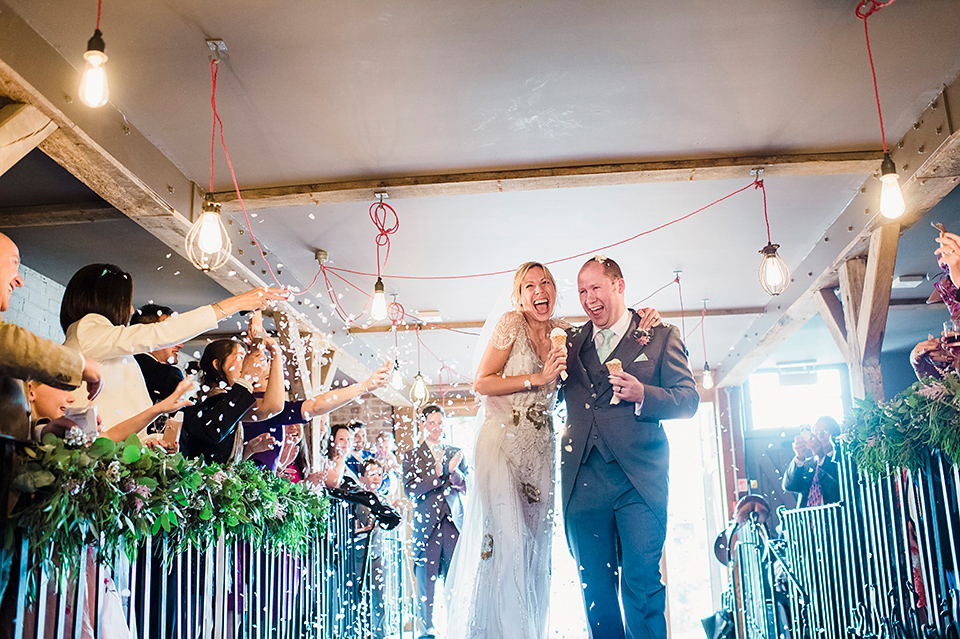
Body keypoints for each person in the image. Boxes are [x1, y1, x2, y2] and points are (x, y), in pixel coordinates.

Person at [561, 256, 699, 639]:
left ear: (619, 285)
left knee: (641, 586)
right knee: (597, 595)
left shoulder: (660, 335)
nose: (589, 298)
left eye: (596, 288)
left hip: (638, 482)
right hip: (582, 483)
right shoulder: (569, 342)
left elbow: (688, 400)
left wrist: (644, 394)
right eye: (582, 291)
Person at [59, 263, 287, 445]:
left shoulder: (106, 347)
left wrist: (150, 441)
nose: (129, 310)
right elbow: (162, 333)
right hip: (97, 453)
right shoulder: (87, 327)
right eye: (125, 302)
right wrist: (238, 303)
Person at [403, 404, 467, 639]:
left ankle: (457, 626)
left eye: (440, 423)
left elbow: (467, 486)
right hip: (426, 527)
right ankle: (427, 631)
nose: (437, 428)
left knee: (455, 579)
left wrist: (453, 473)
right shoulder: (411, 456)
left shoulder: (456, 451)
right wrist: (438, 476)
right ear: (423, 424)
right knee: (426, 583)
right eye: (432, 423)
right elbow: (410, 490)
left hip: (452, 523)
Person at [178, 338, 283, 465]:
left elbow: (273, 407)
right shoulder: (211, 402)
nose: (246, 364)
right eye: (240, 358)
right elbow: (272, 407)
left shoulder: (225, 401)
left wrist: (249, 449)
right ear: (217, 364)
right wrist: (275, 353)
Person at [129, 304, 186, 435]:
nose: (181, 345)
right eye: (172, 336)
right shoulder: (167, 375)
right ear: (149, 336)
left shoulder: (122, 365)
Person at [354, 459, 388, 639]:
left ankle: (380, 634)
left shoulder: (382, 499)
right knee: (361, 596)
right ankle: (361, 633)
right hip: (359, 555)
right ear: (361, 478)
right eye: (371, 474)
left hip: (376, 554)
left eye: (379, 474)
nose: (376, 477)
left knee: (379, 597)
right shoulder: (357, 499)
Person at [782, 416, 841, 508]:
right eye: (816, 432)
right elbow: (790, 486)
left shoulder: (842, 460)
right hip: (808, 520)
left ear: (836, 435)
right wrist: (799, 457)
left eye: (824, 432)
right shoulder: (808, 463)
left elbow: (841, 480)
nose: (819, 436)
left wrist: (821, 456)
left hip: (836, 520)